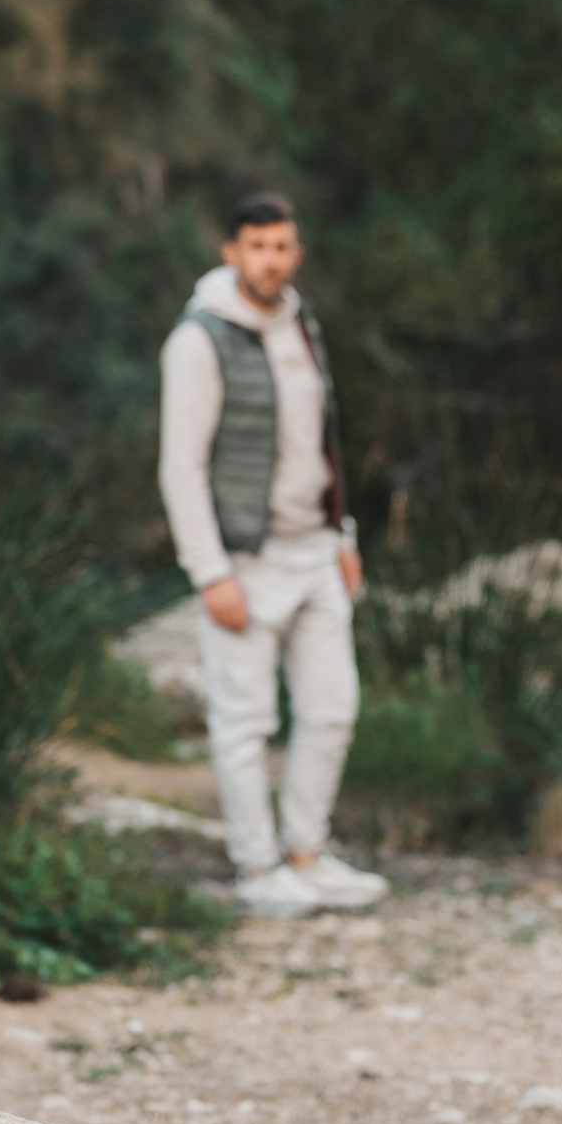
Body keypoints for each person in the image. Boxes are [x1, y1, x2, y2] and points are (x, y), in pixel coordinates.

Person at [158, 195, 388, 919]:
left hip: (315, 550)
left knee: (331, 709)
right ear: (231, 251)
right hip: (243, 559)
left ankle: (306, 853)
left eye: (283, 245)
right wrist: (211, 572)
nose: (271, 259)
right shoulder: (200, 339)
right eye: (257, 245)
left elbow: (323, 441)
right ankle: (257, 866)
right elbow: (181, 466)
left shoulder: (302, 324)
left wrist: (343, 534)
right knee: (245, 719)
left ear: (297, 252)